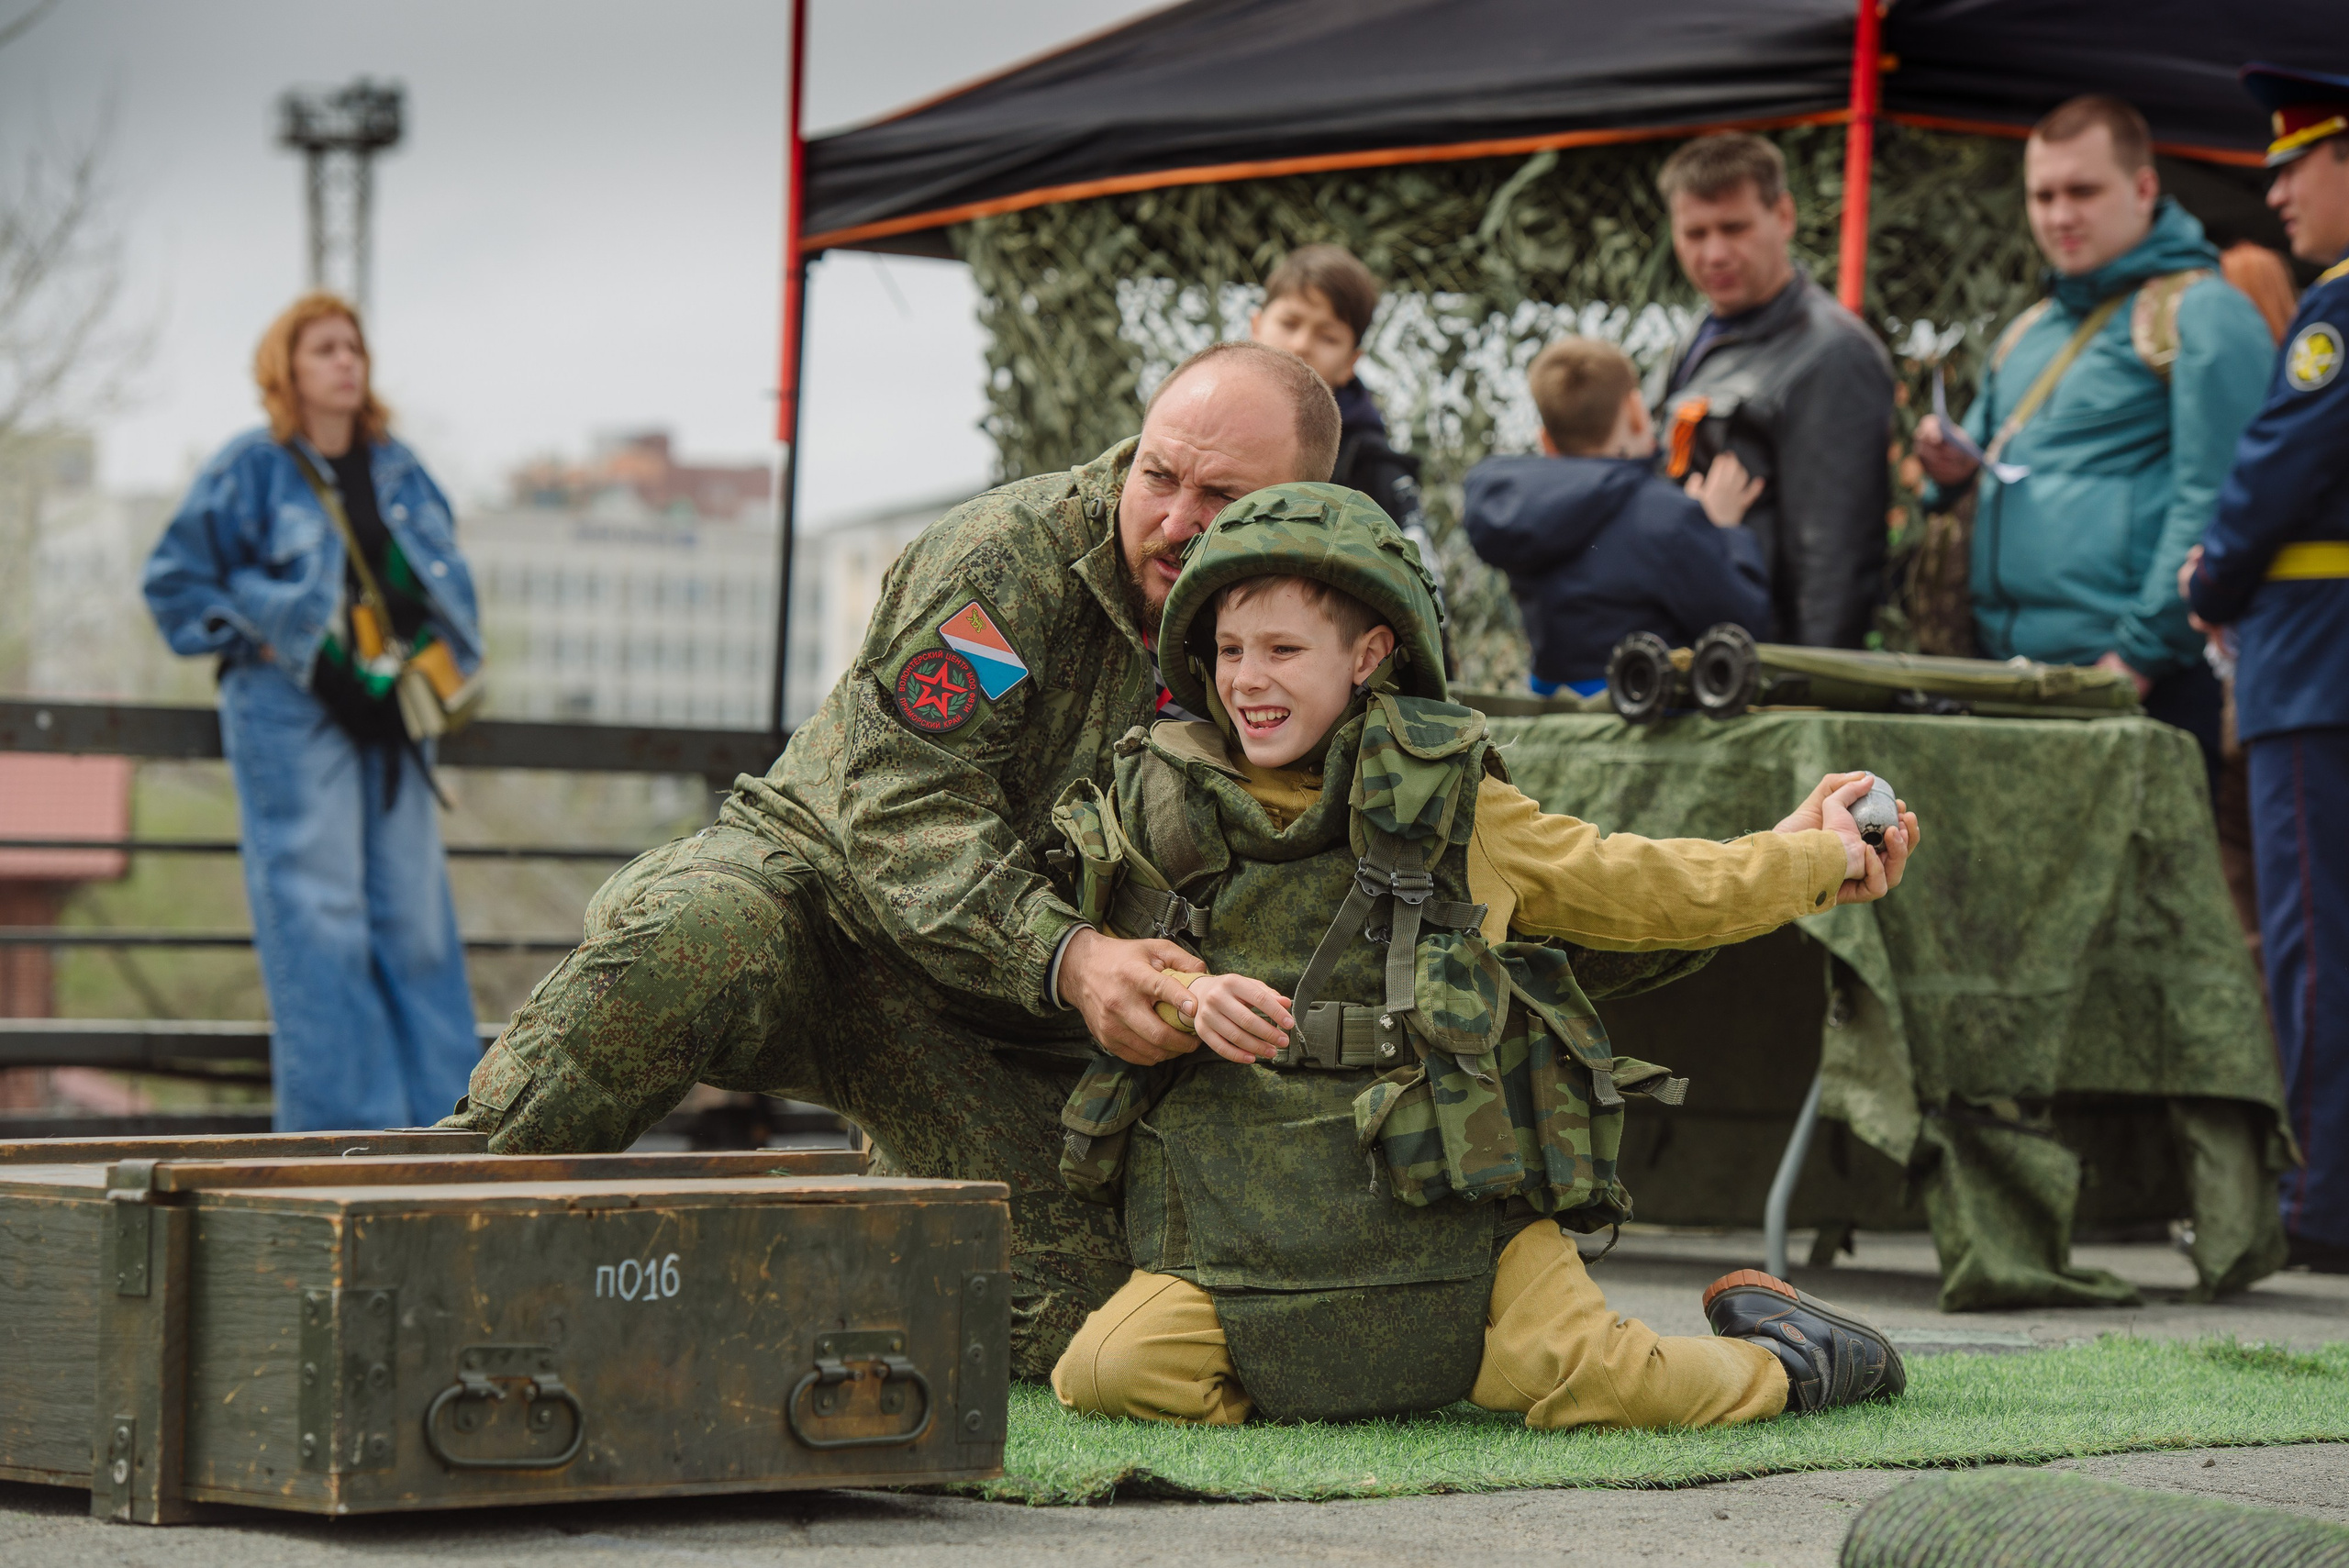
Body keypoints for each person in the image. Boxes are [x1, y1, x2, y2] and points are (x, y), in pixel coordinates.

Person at [439, 341, 1341, 1375]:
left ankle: (831, 1262)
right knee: (688, 938)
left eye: (1221, 497)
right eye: (1159, 475)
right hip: (815, 909)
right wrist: (1078, 957)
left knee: (1080, 1319)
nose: (1177, 520)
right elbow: (907, 803)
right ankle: (435, 1229)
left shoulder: (1317, 621)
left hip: (986, 1023)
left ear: (1300, 510)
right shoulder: (1011, 564)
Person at [1047, 482, 1917, 1428]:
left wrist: (1812, 856)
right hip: (1234, 1214)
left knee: (1608, 1383)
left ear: (1370, 653)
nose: (1247, 679)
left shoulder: (1455, 802)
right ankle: (1329, 1362)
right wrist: (1189, 995)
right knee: (1108, 1370)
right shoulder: (1163, 796)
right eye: (1228, 650)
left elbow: (1643, 884)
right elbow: (1125, 961)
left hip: (1454, 1203)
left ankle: (1791, 1359)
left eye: (1284, 649)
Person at [141, 293, 482, 1132]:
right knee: (320, 918)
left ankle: (455, 1132)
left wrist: (418, 668)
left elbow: (447, 587)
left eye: (353, 346)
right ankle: (347, 1143)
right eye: (324, 347)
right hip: (292, 712)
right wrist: (269, 641)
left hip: (391, 711)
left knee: (417, 920)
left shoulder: (399, 467)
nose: (345, 361)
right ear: (285, 367)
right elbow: (176, 582)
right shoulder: (250, 466)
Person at [1916, 95, 2276, 798]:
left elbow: (2223, 500)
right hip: (2012, 680)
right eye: (2043, 195)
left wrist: (2136, 658)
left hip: (2138, 687)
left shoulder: (2204, 311)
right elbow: (1982, 467)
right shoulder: (2028, 331)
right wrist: (1949, 471)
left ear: (2144, 189)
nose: (2059, 215)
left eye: (2082, 190)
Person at [2180, 63, 2349, 1273]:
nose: (2278, 189)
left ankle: (2326, 1199)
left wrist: (2207, 580)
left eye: (2302, 162)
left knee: (2316, 944)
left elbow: (2278, 468)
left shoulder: (2335, 314)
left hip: (2318, 661)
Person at [1650, 133, 1896, 650]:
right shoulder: (1693, 338)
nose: (1714, 253)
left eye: (1734, 228)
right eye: (1694, 233)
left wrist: (1807, 699)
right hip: (1689, 652)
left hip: (1761, 668)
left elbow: (1836, 564)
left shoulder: (1833, 354)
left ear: (1783, 216)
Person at [1464, 336, 1773, 696]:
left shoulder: (1515, 508)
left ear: (1546, 441)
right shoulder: (1669, 517)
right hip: (1649, 716)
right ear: (1637, 412)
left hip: (1558, 715)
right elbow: (1747, 629)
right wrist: (1724, 529)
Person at [1248, 244, 1442, 583]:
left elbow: (1425, 605)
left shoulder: (1375, 474)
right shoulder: (1200, 426)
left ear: (1351, 362)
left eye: (1328, 336)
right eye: (1289, 323)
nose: (1301, 345)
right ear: (1256, 326)